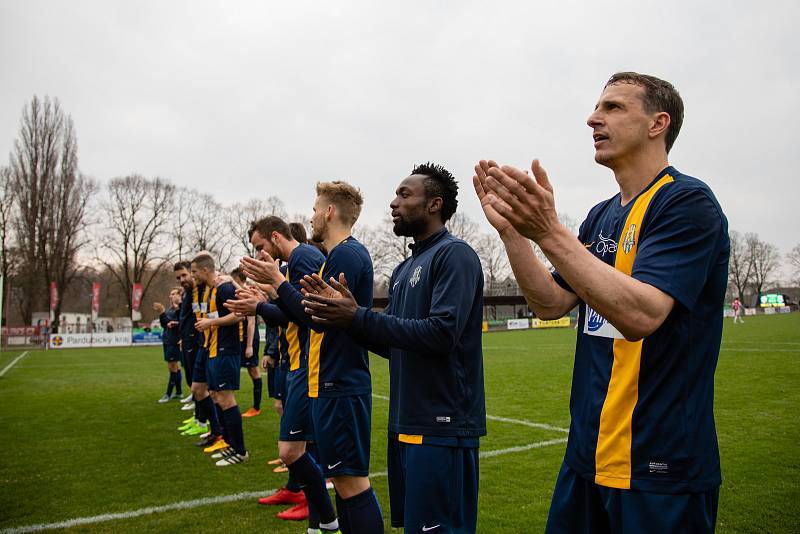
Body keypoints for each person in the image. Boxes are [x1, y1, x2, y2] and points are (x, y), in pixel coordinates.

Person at [472, 72, 729, 533]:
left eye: (613, 107)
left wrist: (550, 231)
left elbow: (642, 314)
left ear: (658, 123)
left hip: (658, 464)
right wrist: (514, 234)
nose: (593, 118)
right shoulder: (601, 215)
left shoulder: (687, 202)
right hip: (588, 456)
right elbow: (550, 304)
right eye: (597, 107)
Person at [301, 164, 485, 533]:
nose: (393, 203)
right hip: (405, 422)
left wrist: (359, 318)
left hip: (442, 426)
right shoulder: (404, 269)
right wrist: (348, 319)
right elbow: (395, 343)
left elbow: (440, 334)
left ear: (434, 204)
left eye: (404, 195)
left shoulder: (455, 255)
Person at [233, 182, 384, 533]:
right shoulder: (337, 255)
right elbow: (313, 314)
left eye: (316, 208)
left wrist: (275, 285)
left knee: (352, 485)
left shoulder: (347, 254)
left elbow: (317, 316)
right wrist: (274, 287)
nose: (312, 216)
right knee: (345, 486)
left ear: (329, 212)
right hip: (331, 381)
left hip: (341, 382)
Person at [227, 216, 339, 533]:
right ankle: (321, 522)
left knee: (292, 450)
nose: (260, 254)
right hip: (297, 364)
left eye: (260, 246)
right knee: (300, 449)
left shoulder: (303, 256)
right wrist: (262, 301)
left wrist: (262, 304)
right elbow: (293, 315)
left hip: (309, 364)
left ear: (275, 237)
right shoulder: (293, 264)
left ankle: (327, 519)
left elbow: (308, 314)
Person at [191, 252, 249, 466]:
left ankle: (240, 451)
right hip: (213, 350)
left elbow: (239, 315)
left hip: (226, 350)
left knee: (226, 398)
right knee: (216, 396)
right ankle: (229, 444)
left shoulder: (224, 288)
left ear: (206, 270)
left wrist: (210, 324)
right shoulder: (211, 289)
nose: (193, 276)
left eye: (195, 272)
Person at [230, 267, 263, 417]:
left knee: (253, 370)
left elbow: (251, 322)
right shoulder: (239, 294)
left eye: (233, 280)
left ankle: (256, 407)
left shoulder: (247, 293)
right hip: (241, 339)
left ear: (238, 280)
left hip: (250, 339)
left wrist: (249, 346)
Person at [154, 287, 183, 403]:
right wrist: (161, 313)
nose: (171, 296)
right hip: (168, 340)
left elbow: (183, 322)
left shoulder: (181, 309)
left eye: (174, 294)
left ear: (180, 295)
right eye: (170, 294)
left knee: (173, 367)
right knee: (175, 367)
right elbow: (164, 324)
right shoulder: (171, 309)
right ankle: (179, 392)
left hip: (174, 341)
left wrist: (175, 322)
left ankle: (168, 393)